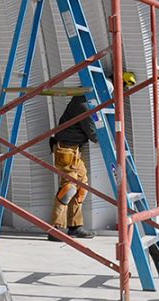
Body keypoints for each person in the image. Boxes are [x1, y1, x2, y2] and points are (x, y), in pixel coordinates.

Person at [46, 93, 97, 240]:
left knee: (81, 187)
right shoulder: (84, 105)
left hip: (74, 151)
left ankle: (75, 226)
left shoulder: (85, 101)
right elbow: (94, 135)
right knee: (69, 188)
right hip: (66, 151)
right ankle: (55, 229)